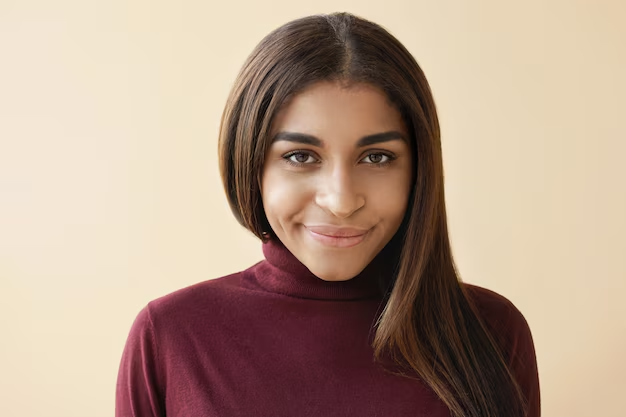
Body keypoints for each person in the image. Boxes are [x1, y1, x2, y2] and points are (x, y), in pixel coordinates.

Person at [115, 12, 540, 417]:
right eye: (301, 156)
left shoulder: (491, 332)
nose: (340, 200)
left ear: (419, 169)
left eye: (376, 157)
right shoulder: (170, 335)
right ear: (250, 163)